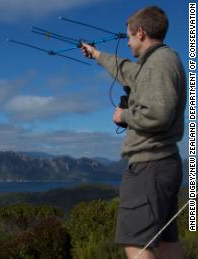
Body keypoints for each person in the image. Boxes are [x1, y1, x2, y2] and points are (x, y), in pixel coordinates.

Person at [81, 6, 186, 259]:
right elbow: (127, 70)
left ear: (141, 32)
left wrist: (124, 116)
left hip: (149, 166)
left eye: (128, 36)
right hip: (163, 163)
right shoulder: (160, 60)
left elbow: (158, 114)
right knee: (165, 242)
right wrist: (97, 54)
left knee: (137, 244)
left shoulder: (157, 65)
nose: (126, 42)